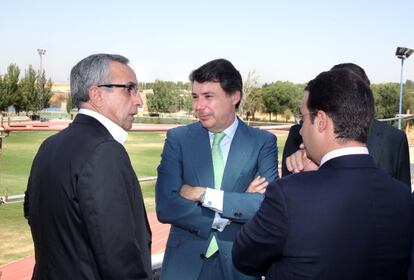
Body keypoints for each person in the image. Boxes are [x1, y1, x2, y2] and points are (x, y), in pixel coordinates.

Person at [232, 68, 414, 279]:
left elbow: (244, 256)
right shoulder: (402, 197)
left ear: (320, 121)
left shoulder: (290, 194)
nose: (300, 131)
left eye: (303, 119)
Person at [24, 54, 152, 279]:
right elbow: (119, 255)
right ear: (97, 94)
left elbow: (34, 214)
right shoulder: (105, 151)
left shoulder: (49, 145)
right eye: (130, 88)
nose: (138, 100)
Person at [155, 58, 278, 280]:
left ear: (235, 96)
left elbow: (266, 205)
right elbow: (166, 205)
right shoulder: (178, 139)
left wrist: (203, 194)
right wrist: (231, 209)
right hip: (184, 267)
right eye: (195, 97)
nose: (198, 106)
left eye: (208, 96)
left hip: (239, 265)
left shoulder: (262, 142)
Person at [282, 63, 411, 189]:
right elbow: (286, 191)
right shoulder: (299, 134)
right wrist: (302, 167)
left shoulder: (394, 138)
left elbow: (404, 200)